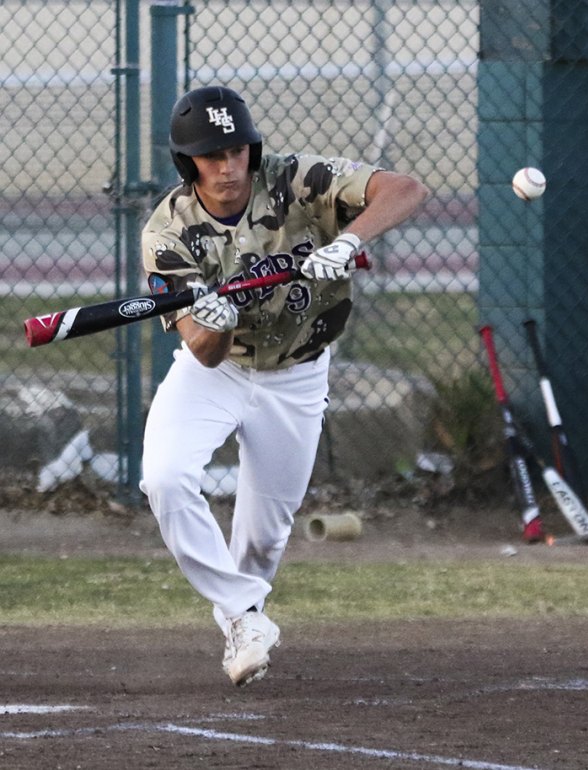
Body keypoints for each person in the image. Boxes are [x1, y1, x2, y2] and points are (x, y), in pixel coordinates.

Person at [140, 85, 428, 687]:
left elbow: (406, 189)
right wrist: (215, 324)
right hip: (214, 373)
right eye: (211, 156)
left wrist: (350, 238)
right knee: (165, 477)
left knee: (264, 534)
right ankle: (246, 616)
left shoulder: (297, 179)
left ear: (252, 148)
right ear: (186, 162)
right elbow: (200, 346)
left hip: (298, 375)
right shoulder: (168, 232)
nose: (227, 166)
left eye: (237, 150)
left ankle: (245, 623)